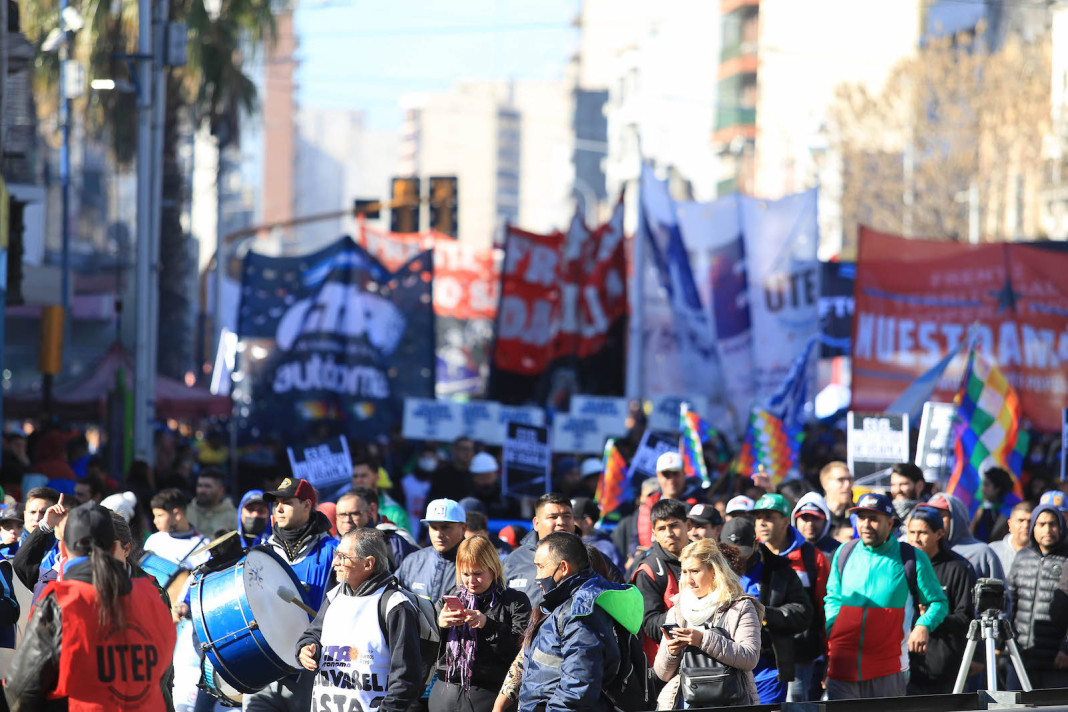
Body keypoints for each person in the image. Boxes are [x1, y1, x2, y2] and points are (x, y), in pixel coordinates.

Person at [4, 502, 176, 710]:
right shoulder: (153, 595)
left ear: (62, 548)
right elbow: (164, 674)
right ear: (115, 548)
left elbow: (21, 689)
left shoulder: (60, 601)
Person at [824, 492, 948, 699]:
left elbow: (938, 602)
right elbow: (833, 597)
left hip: (888, 669)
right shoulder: (844, 552)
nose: (866, 524)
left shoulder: (911, 557)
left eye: (874, 519)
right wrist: (833, 628)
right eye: (862, 518)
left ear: (889, 523)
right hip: (843, 665)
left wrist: (923, 625)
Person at [296, 529, 424, 712]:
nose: (335, 563)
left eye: (342, 556)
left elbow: (407, 676)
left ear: (368, 563)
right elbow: (312, 635)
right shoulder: (334, 597)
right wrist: (306, 649)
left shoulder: (395, 605)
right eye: (335, 555)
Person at [517, 531, 641, 712]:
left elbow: (578, 687)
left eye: (541, 567)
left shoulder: (580, 613)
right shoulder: (563, 604)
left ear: (564, 568)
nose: (537, 576)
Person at [246, 476, 340, 712]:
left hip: (312, 672)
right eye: (276, 502)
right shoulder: (260, 553)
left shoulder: (334, 552)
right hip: (264, 669)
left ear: (307, 505)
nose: (278, 508)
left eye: (287, 502)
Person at [653, 538, 763, 709]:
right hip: (684, 703)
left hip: (731, 703)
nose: (688, 579)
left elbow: (749, 658)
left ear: (714, 571)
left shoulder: (740, 606)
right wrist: (671, 652)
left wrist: (702, 639)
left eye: (695, 571)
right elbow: (661, 673)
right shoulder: (678, 608)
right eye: (685, 571)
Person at [431, 536, 531, 712]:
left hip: (491, 693)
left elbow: (520, 653)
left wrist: (487, 625)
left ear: (493, 569)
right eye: (465, 574)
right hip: (446, 691)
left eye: (478, 573)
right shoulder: (451, 597)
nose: (471, 581)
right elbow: (426, 649)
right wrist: (440, 626)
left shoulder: (514, 601)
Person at [719, 516, 812, 704]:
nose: (737, 560)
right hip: (726, 673)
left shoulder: (780, 570)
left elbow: (803, 613)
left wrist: (765, 613)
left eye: (742, 553)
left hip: (768, 672)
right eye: (731, 555)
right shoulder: (713, 571)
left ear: (755, 544)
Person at [752, 493, 829, 702]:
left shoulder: (812, 557)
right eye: (758, 518)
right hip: (758, 655)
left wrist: (829, 655)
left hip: (799, 654)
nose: (762, 523)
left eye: (769, 517)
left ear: (786, 520)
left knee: (797, 704)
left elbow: (824, 608)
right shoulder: (750, 555)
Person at [904, 505, 976, 694]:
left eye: (922, 533)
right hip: (907, 668)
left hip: (944, 671)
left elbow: (966, 619)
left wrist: (931, 619)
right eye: (911, 532)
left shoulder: (958, 568)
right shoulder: (905, 565)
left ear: (939, 534)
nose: (915, 539)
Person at [1007, 501, 1068, 689]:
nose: (1047, 530)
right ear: (1034, 527)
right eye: (1041, 524)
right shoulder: (1022, 557)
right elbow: (1011, 603)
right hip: (1020, 657)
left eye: (1052, 524)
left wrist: (1066, 649)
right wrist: (1004, 644)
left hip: (1056, 660)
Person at [631, 498, 687, 662]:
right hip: (667, 663)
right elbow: (650, 626)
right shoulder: (650, 571)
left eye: (674, 525)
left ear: (688, 525)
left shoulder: (705, 558)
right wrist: (690, 610)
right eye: (662, 528)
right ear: (654, 534)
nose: (669, 533)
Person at [503, 493, 575, 610]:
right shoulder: (512, 562)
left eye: (567, 516)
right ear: (536, 523)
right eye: (553, 517)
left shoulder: (590, 558)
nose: (561, 522)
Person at [398, 498, 465, 603]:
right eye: (434, 527)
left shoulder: (477, 563)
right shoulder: (412, 561)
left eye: (445, 527)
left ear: (463, 528)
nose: (438, 534)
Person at [926, 493, 1005, 580]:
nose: (935, 521)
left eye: (941, 516)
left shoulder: (982, 553)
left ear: (957, 519)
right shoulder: (922, 550)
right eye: (931, 516)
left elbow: (999, 591)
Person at [338, 487, 418, 570]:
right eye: (341, 515)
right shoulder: (332, 545)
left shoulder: (394, 542)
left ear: (371, 510)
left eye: (355, 514)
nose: (347, 520)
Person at [634, 453, 694, 553]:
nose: (671, 480)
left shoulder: (698, 505)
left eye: (675, 474)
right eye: (666, 475)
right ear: (658, 476)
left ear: (684, 474)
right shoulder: (647, 505)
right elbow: (634, 538)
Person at [352, 453, 412, 534]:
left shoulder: (396, 512)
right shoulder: (344, 508)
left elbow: (406, 545)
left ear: (376, 477)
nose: (358, 480)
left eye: (363, 476)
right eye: (355, 476)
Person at [572, 497, 623, 571]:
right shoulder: (568, 543)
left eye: (572, 519)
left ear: (587, 522)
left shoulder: (607, 549)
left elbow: (618, 579)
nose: (565, 522)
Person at [186, 468, 238, 536]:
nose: (202, 490)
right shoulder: (185, 512)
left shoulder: (234, 517)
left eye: (208, 486)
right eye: (199, 485)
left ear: (221, 490)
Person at [971, 467, 1015, 543]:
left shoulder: (1012, 515)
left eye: (986, 485)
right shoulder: (981, 510)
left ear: (998, 488)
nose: (982, 489)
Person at [991, 500, 1035, 575]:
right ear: (1010, 524)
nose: (1026, 526)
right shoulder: (993, 551)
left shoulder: (1041, 554)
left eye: (1030, 521)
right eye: (1021, 520)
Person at [819, 462, 854, 532]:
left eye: (849, 480)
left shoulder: (857, 516)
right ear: (825, 484)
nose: (847, 485)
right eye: (841, 480)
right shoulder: (817, 515)